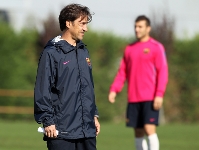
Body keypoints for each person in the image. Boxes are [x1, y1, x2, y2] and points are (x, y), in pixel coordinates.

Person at [34, 3, 100, 150]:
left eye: (86, 24)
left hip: (87, 130)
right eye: (81, 24)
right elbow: (43, 89)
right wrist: (47, 120)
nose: (85, 28)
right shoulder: (51, 53)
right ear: (68, 23)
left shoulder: (84, 52)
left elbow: (88, 87)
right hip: (62, 131)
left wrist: (93, 115)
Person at [108, 15, 168, 150]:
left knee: (149, 129)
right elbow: (122, 72)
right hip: (133, 98)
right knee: (138, 132)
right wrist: (114, 89)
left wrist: (159, 94)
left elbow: (162, 72)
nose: (137, 29)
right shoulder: (129, 49)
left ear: (148, 28)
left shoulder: (156, 47)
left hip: (150, 97)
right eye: (135, 26)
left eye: (140, 26)